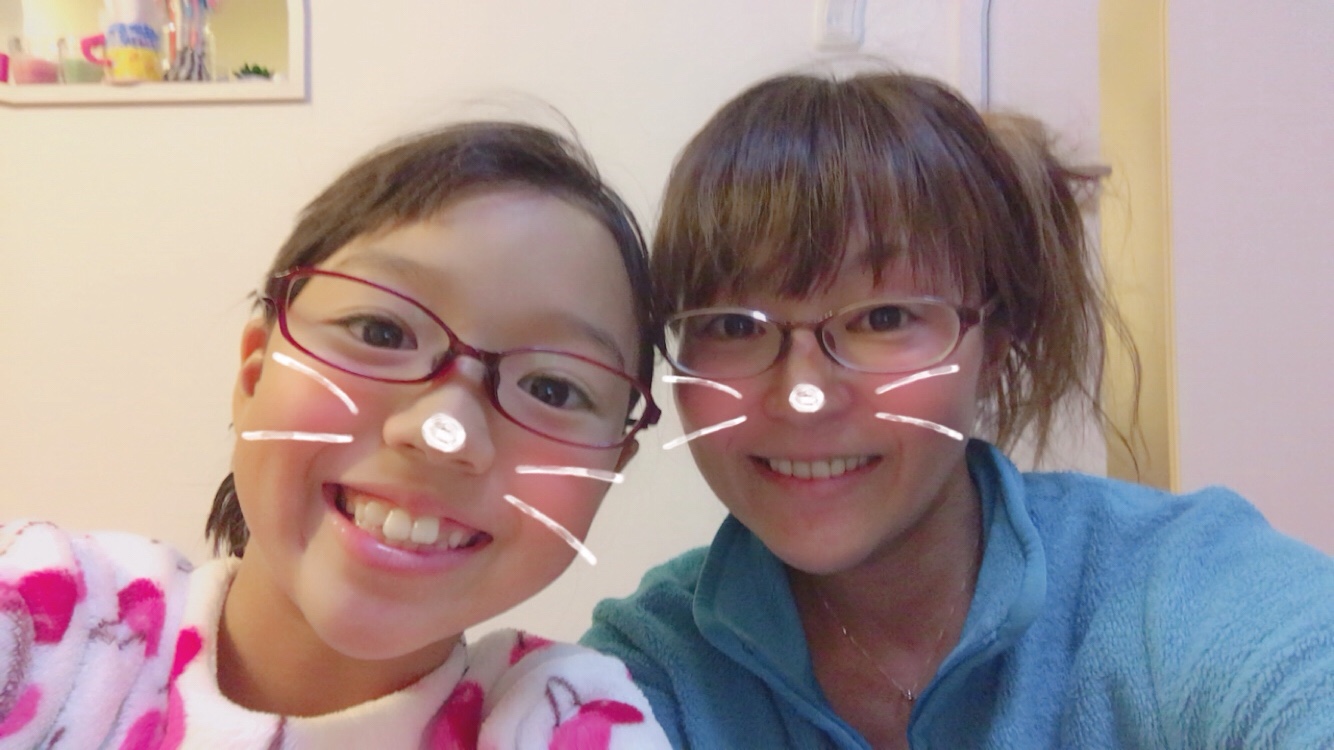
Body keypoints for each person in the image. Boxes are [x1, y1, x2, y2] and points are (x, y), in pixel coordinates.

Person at [581, 70, 1334, 749]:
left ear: (995, 342)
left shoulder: (1178, 588)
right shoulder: (651, 669)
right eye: (733, 326)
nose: (803, 395)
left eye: (882, 319)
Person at [0, 122, 672, 748]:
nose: (445, 433)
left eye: (552, 389)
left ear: (610, 471)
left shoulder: (567, 720)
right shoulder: (51, 616)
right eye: (382, 332)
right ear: (254, 374)